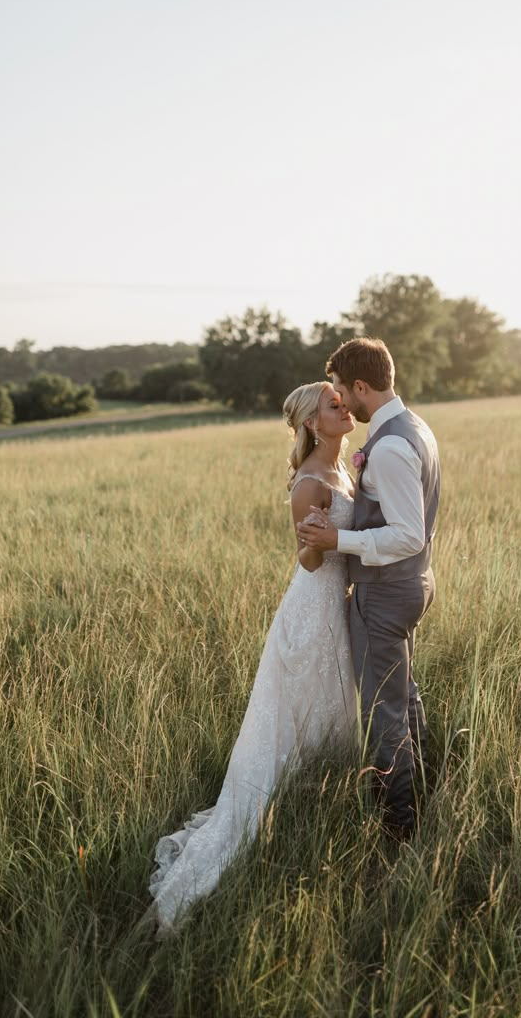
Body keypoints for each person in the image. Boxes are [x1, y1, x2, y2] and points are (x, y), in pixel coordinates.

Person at [148, 381, 357, 932]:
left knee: (329, 718)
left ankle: (318, 800)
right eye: (333, 405)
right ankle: (230, 850)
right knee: (289, 729)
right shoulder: (310, 482)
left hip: (339, 613)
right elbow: (310, 562)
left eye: (344, 401)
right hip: (310, 615)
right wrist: (322, 537)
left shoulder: (344, 470)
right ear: (314, 421)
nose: (345, 408)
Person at [298, 338, 440, 840]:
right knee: (402, 692)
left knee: (384, 708)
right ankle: (426, 776)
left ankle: (399, 821)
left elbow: (408, 533)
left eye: (340, 389)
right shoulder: (413, 427)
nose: (339, 399)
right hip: (408, 585)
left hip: (386, 591)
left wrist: (339, 538)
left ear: (361, 386)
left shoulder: (394, 444)